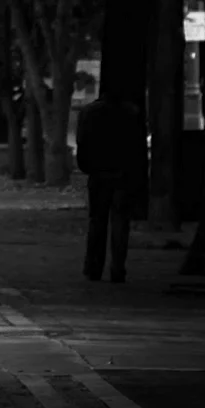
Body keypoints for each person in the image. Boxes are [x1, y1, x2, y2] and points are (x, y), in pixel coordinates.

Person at [75, 92, 148, 283]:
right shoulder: (130, 113)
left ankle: (93, 267)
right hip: (122, 174)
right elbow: (136, 147)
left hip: (98, 173)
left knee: (97, 221)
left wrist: (87, 166)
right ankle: (118, 268)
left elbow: (82, 143)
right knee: (120, 222)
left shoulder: (89, 113)